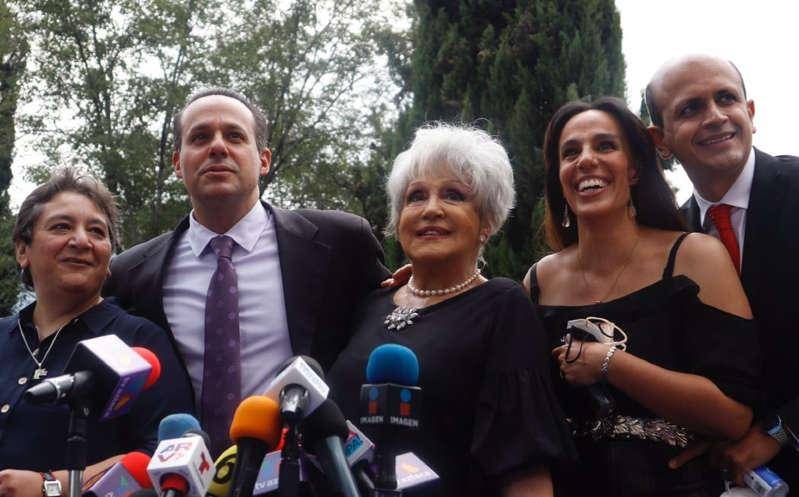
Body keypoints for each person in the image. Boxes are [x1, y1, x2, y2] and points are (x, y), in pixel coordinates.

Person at [104, 88, 388, 455]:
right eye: (200, 137)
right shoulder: (131, 273)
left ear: (264, 159)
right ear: (178, 163)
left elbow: (393, 321)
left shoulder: (341, 243)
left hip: (308, 470)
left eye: (235, 136)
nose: (217, 147)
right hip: (186, 474)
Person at [525, 97, 761, 496]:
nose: (586, 160)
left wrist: (610, 363)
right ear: (559, 176)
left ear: (634, 169)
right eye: (570, 152)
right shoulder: (537, 282)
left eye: (605, 146)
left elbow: (734, 417)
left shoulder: (694, 257)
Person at [328, 124, 574, 497]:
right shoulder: (370, 305)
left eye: (453, 195)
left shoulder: (502, 306)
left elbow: (524, 464)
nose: (431, 209)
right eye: (415, 197)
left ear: (486, 222)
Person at [646, 55, 799, 486]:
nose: (715, 116)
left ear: (750, 112)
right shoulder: (669, 240)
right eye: (690, 108)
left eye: (726, 99)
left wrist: (779, 431)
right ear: (660, 140)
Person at [0, 169, 193, 496]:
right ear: (23, 251)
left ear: (109, 258)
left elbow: (166, 454)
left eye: (97, 231)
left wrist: (52, 486)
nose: (81, 241)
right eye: (61, 227)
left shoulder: (138, 341)